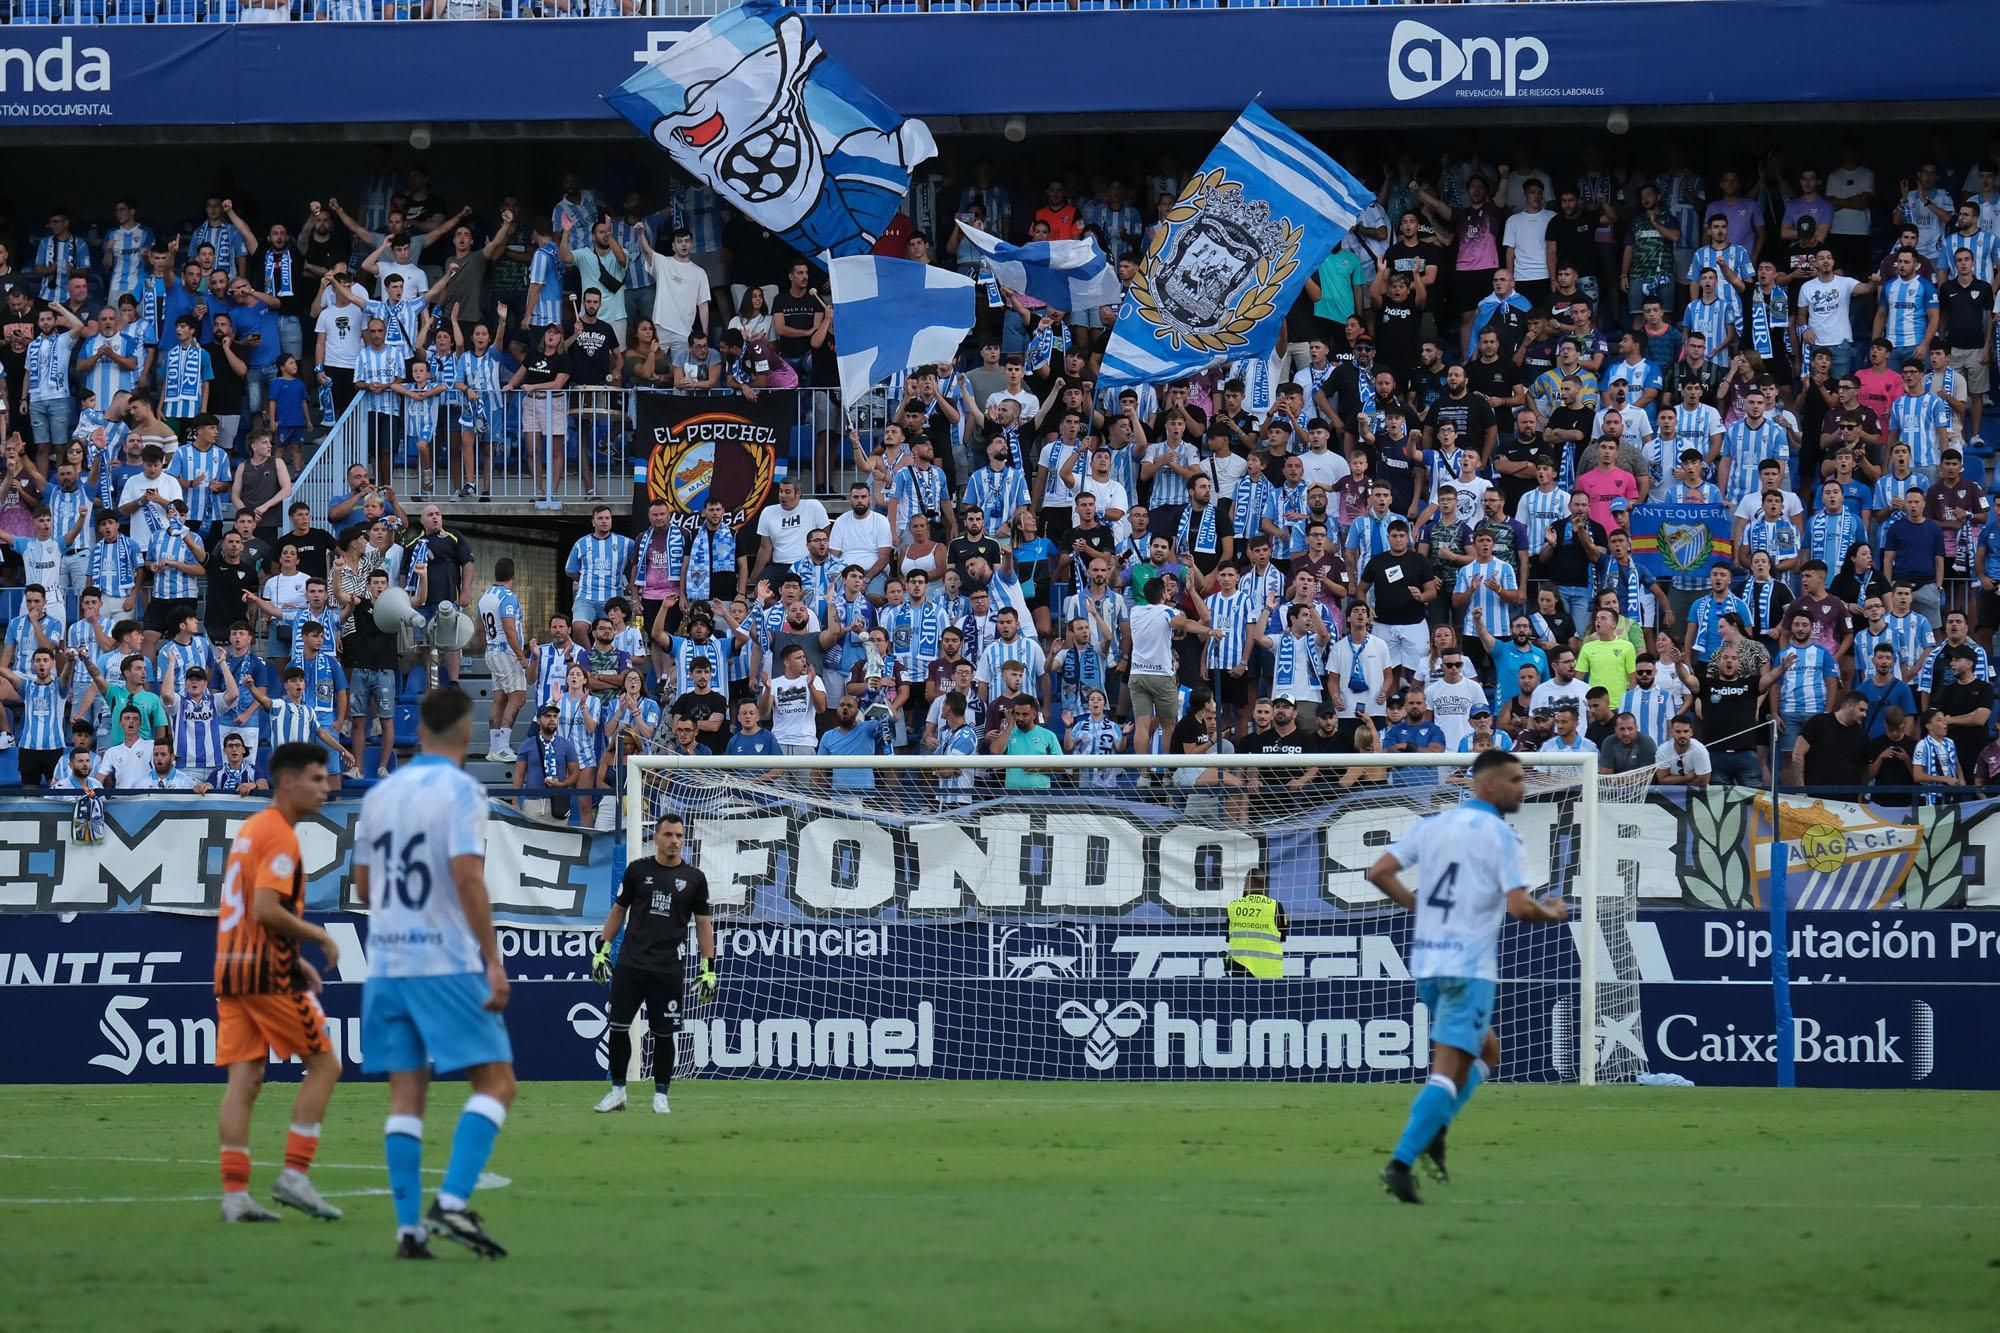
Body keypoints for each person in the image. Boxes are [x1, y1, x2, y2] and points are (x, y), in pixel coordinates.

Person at [354, 689, 515, 1260]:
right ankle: (449, 1203)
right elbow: (469, 879)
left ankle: (407, 1233)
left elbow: (365, 888)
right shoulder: (463, 791)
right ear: (467, 733)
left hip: (387, 962)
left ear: (417, 729)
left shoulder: (380, 794)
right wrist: (492, 960)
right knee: (496, 1084)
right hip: (442, 961)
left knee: (406, 1096)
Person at [1366, 750, 1567, 1204]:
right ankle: (1401, 1161)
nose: (1523, 786)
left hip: (1428, 962)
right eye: (1516, 779)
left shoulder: (1432, 824)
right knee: (1448, 1068)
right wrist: (1551, 912)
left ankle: (1433, 1126)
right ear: (1488, 785)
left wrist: (1417, 907)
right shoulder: (1503, 837)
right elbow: (1518, 907)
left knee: (1488, 1049)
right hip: (1468, 966)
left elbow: (1378, 871)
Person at [212, 741, 344, 1224]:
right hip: (264, 973)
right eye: (316, 778)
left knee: (244, 1080)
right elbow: (268, 909)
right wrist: (318, 938)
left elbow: (253, 909)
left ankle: (234, 1196)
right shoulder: (281, 837)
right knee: (326, 1065)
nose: (326, 788)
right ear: (287, 783)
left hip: (231, 967)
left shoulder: (252, 829)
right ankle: (294, 1174)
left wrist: (297, 957)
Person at [590, 813, 716, 1117]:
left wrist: (708, 967)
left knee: (664, 1034)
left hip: (668, 969)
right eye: (668, 835)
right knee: (618, 1028)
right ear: (656, 837)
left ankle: (661, 1095)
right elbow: (619, 911)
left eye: (679, 836)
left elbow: (703, 926)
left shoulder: (695, 878)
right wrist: (602, 949)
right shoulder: (637, 871)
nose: (674, 841)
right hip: (631, 965)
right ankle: (617, 1091)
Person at [1223, 866, 1289, 979]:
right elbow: (1282, 937)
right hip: (1269, 969)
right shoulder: (1275, 907)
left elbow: (1229, 937)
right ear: (1265, 885)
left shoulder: (1233, 906)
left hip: (1240, 967)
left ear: (1247, 883)